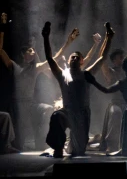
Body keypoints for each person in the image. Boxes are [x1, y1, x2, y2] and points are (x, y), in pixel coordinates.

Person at [0, 12, 80, 150]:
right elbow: (0, 50)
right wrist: (2, 28)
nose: (33, 52)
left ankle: (42, 142)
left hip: (31, 104)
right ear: (23, 54)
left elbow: (53, 58)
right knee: (19, 141)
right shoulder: (14, 67)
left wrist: (68, 42)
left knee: (48, 108)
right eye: (30, 50)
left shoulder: (36, 68)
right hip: (18, 106)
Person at [43, 21, 114, 158]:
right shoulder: (62, 74)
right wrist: (46, 37)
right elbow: (50, 59)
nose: (74, 58)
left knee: (77, 152)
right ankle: (58, 147)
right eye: (72, 57)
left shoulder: (87, 74)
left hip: (82, 113)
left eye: (77, 57)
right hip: (67, 111)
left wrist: (108, 38)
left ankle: (73, 145)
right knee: (56, 116)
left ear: (82, 61)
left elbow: (102, 58)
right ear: (69, 61)